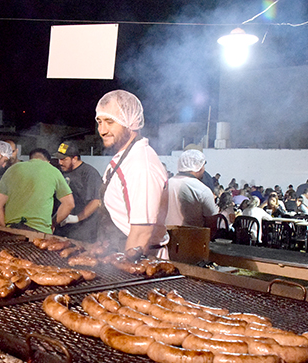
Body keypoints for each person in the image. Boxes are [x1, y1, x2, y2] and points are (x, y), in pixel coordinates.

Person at [95, 90, 168, 253]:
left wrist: (125, 272)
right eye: (99, 121)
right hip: (117, 250)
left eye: (110, 121)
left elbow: (142, 234)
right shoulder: (125, 157)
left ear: (131, 122)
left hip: (141, 259)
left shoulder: (141, 165)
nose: (102, 130)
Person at [0, 148, 74, 234]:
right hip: (40, 231)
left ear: (30, 159)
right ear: (48, 162)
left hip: (13, 228)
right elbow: (69, 204)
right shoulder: (53, 171)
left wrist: (5, 228)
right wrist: (52, 223)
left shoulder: (12, 169)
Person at [53, 141, 102, 242]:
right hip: (62, 228)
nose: (60, 162)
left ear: (74, 159)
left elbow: (96, 201)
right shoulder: (60, 171)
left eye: (64, 159)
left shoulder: (89, 173)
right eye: (59, 159)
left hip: (83, 230)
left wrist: (76, 218)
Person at [164, 149, 219, 231]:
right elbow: (212, 223)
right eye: (203, 166)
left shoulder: (165, 185)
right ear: (198, 167)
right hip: (191, 240)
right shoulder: (202, 190)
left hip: (165, 238)